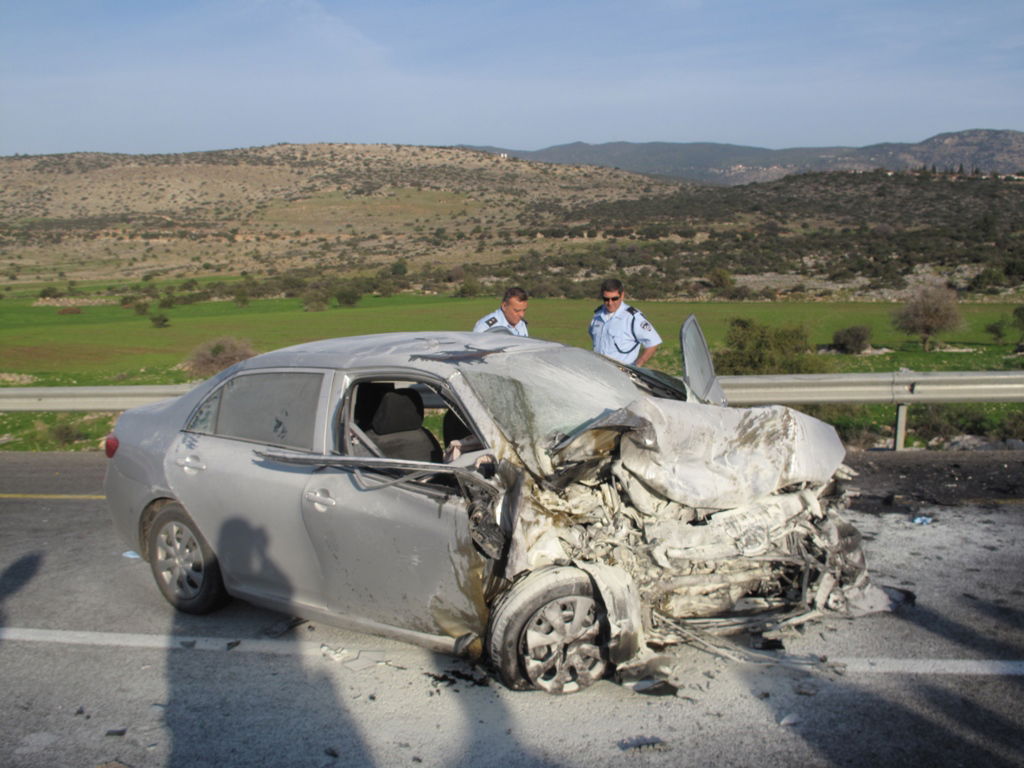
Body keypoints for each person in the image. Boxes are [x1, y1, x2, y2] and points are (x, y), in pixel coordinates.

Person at [589, 278, 661, 366]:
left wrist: (638, 365)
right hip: (599, 370)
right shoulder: (597, 315)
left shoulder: (632, 317)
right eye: (606, 299)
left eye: (614, 298)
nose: (610, 303)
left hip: (621, 373)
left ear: (622, 296)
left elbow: (653, 342)